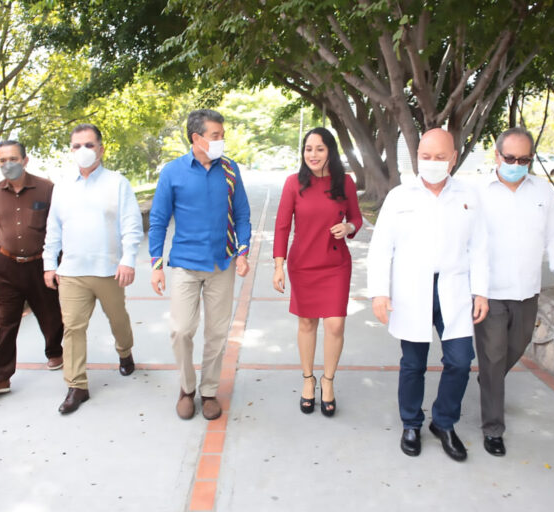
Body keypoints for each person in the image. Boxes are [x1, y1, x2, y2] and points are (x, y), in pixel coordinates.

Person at [367, 128, 489, 462]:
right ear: (417, 156)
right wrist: (379, 292)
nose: (432, 163)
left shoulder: (468, 195)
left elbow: (479, 247)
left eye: (439, 157)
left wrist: (481, 291)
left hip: (455, 289)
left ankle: (444, 422)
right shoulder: (400, 197)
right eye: (425, 156)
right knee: (413, 363)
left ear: (453, 157)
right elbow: (381, 249)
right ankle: (411, 423)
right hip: (412, 290)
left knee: (460, 361)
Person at [475, 126, 554, 456]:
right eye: (510, 158)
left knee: (516, 346)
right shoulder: (478, 192)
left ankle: (490, 380)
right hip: (488, 292)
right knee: (492, 355)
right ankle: (493, 427)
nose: (517, 164)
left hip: (527, 291)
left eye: (524, 159)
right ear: (497, 155)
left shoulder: (542, 192)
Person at [149, 109, 251, 421]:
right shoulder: (173, 172)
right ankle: (186, 388)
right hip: (184, 265)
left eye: (222, 135)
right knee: (181, 330)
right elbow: (158, 219)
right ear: (197, 138)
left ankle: (208, 392)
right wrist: (156, 264)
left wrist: (243, 251)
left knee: (217, 334)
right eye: (216, 136)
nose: (222, 141)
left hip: (223, 264)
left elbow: (243, 213)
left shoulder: (230, 170)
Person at [43, 124, 143, 414]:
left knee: (118, 319)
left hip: (109, 270)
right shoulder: (62, 187)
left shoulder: (117, 183)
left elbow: (132, 225)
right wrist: (50, 264)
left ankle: (125, 352)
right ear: (71, 151)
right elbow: (54, 229)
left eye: (89, 145)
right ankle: (77, 386)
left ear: (101, 148)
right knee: (72, 328)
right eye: (76, 146)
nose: (82, 151)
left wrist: (128, 260)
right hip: (72, 272)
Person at [272, 127, 362, 417]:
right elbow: (282, 226)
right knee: (308, 323)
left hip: (336, 264)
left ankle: (328, 380)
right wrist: (278, 265)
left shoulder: (345, 182)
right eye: (308, 149)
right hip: (303, 264)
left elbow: (356, 217)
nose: (313, 154)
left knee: (335, 324)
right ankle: (309, 380)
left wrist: (349, 227)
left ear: (330, 152)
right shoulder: (292, 184)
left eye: (319, 149)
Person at [0, 140, 64, 394]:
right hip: (7, 267)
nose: (7, 165)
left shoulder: (46, 189)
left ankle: (55, 351)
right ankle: (0, 377)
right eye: (2, 160)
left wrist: (58, 263)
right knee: (5, 322)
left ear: (25, 160)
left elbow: (58, 228)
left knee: (51, 314)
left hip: (41, 265)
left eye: (13, 159)